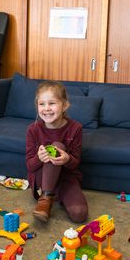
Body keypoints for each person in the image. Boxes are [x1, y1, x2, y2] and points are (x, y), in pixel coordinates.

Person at [25, 81, 89, 224]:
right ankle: (46, 198)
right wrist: (39, 158)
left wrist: (67, 159)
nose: (46, 108)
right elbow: (30, 166)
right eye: (42, 104)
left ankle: (56, 194)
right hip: (42, 179)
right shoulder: (33, 130)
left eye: (52, 103)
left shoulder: (76, 128)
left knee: (80, 214)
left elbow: (75, 164)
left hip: (66, 179)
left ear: (65, 105)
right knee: (56, 146)